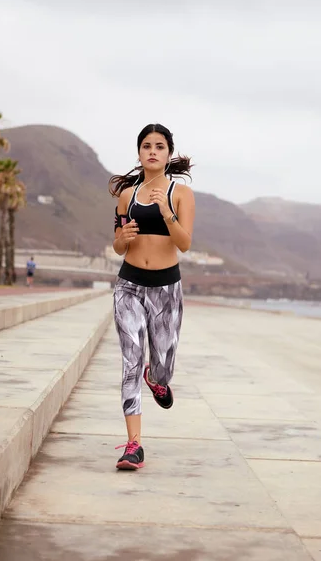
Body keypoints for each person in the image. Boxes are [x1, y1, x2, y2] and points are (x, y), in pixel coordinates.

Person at [109, 123, 195, 470]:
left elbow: (185, 243)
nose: (153, 151)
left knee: (161, 366)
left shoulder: (180, 193)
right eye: (147, 146)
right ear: (140, 153)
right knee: (131, 363)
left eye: (160, 146)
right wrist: (124, 237)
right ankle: (133, 445)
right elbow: (116, 246)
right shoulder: (127, 195)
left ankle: (157, 380)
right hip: (129, 284)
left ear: (169, 153)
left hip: (165, 290)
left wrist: (166, 212)